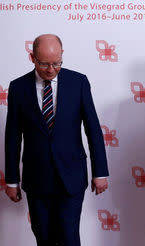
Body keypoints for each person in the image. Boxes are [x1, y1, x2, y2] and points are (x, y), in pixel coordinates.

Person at [4, 34, 109, 246]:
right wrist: (12, 180)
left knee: (70, 238)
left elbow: (93, 130)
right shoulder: (18, 87)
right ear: (32, 57)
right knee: (44, 238)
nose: (51, 69)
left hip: (71, 176)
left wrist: (101, 172)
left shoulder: (78, 82)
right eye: (44, 64)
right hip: (37, 179)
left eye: (57, 63)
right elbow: (13, 137)